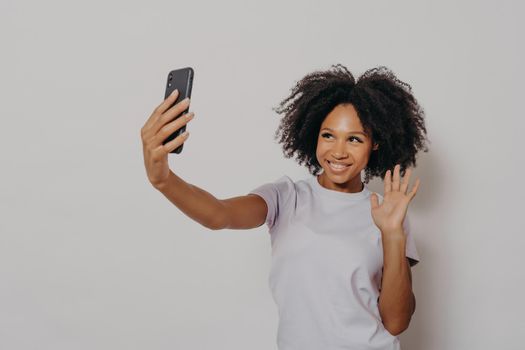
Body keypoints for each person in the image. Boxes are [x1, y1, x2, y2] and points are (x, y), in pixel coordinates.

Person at [140, 64, 429, 350]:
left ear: (375, 144)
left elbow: (396, 322)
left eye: (354, 139)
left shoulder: (388, 213)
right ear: (313, 133)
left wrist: (393, 234)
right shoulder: (286, 197)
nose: (339, 151)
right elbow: (218, 214)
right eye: (328, 135)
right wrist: (163, 180)